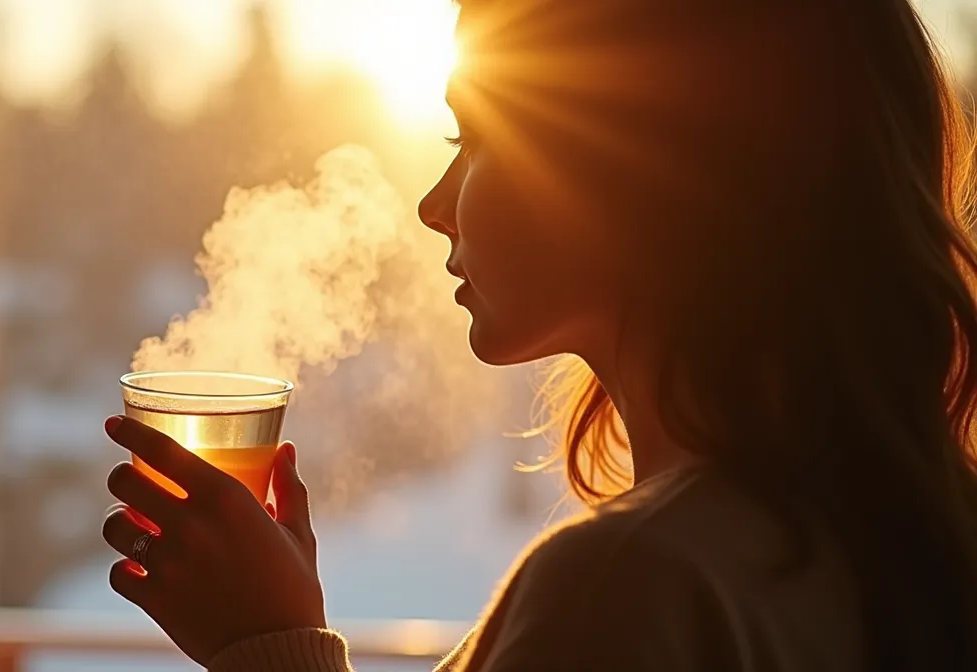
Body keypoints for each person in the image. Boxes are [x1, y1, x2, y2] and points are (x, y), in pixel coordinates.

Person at [101, 0, 977, 669]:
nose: (433, 205)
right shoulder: (912, 525)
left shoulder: (631, 585)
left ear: (636, 168)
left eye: (475, 136)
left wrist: (265, 644)